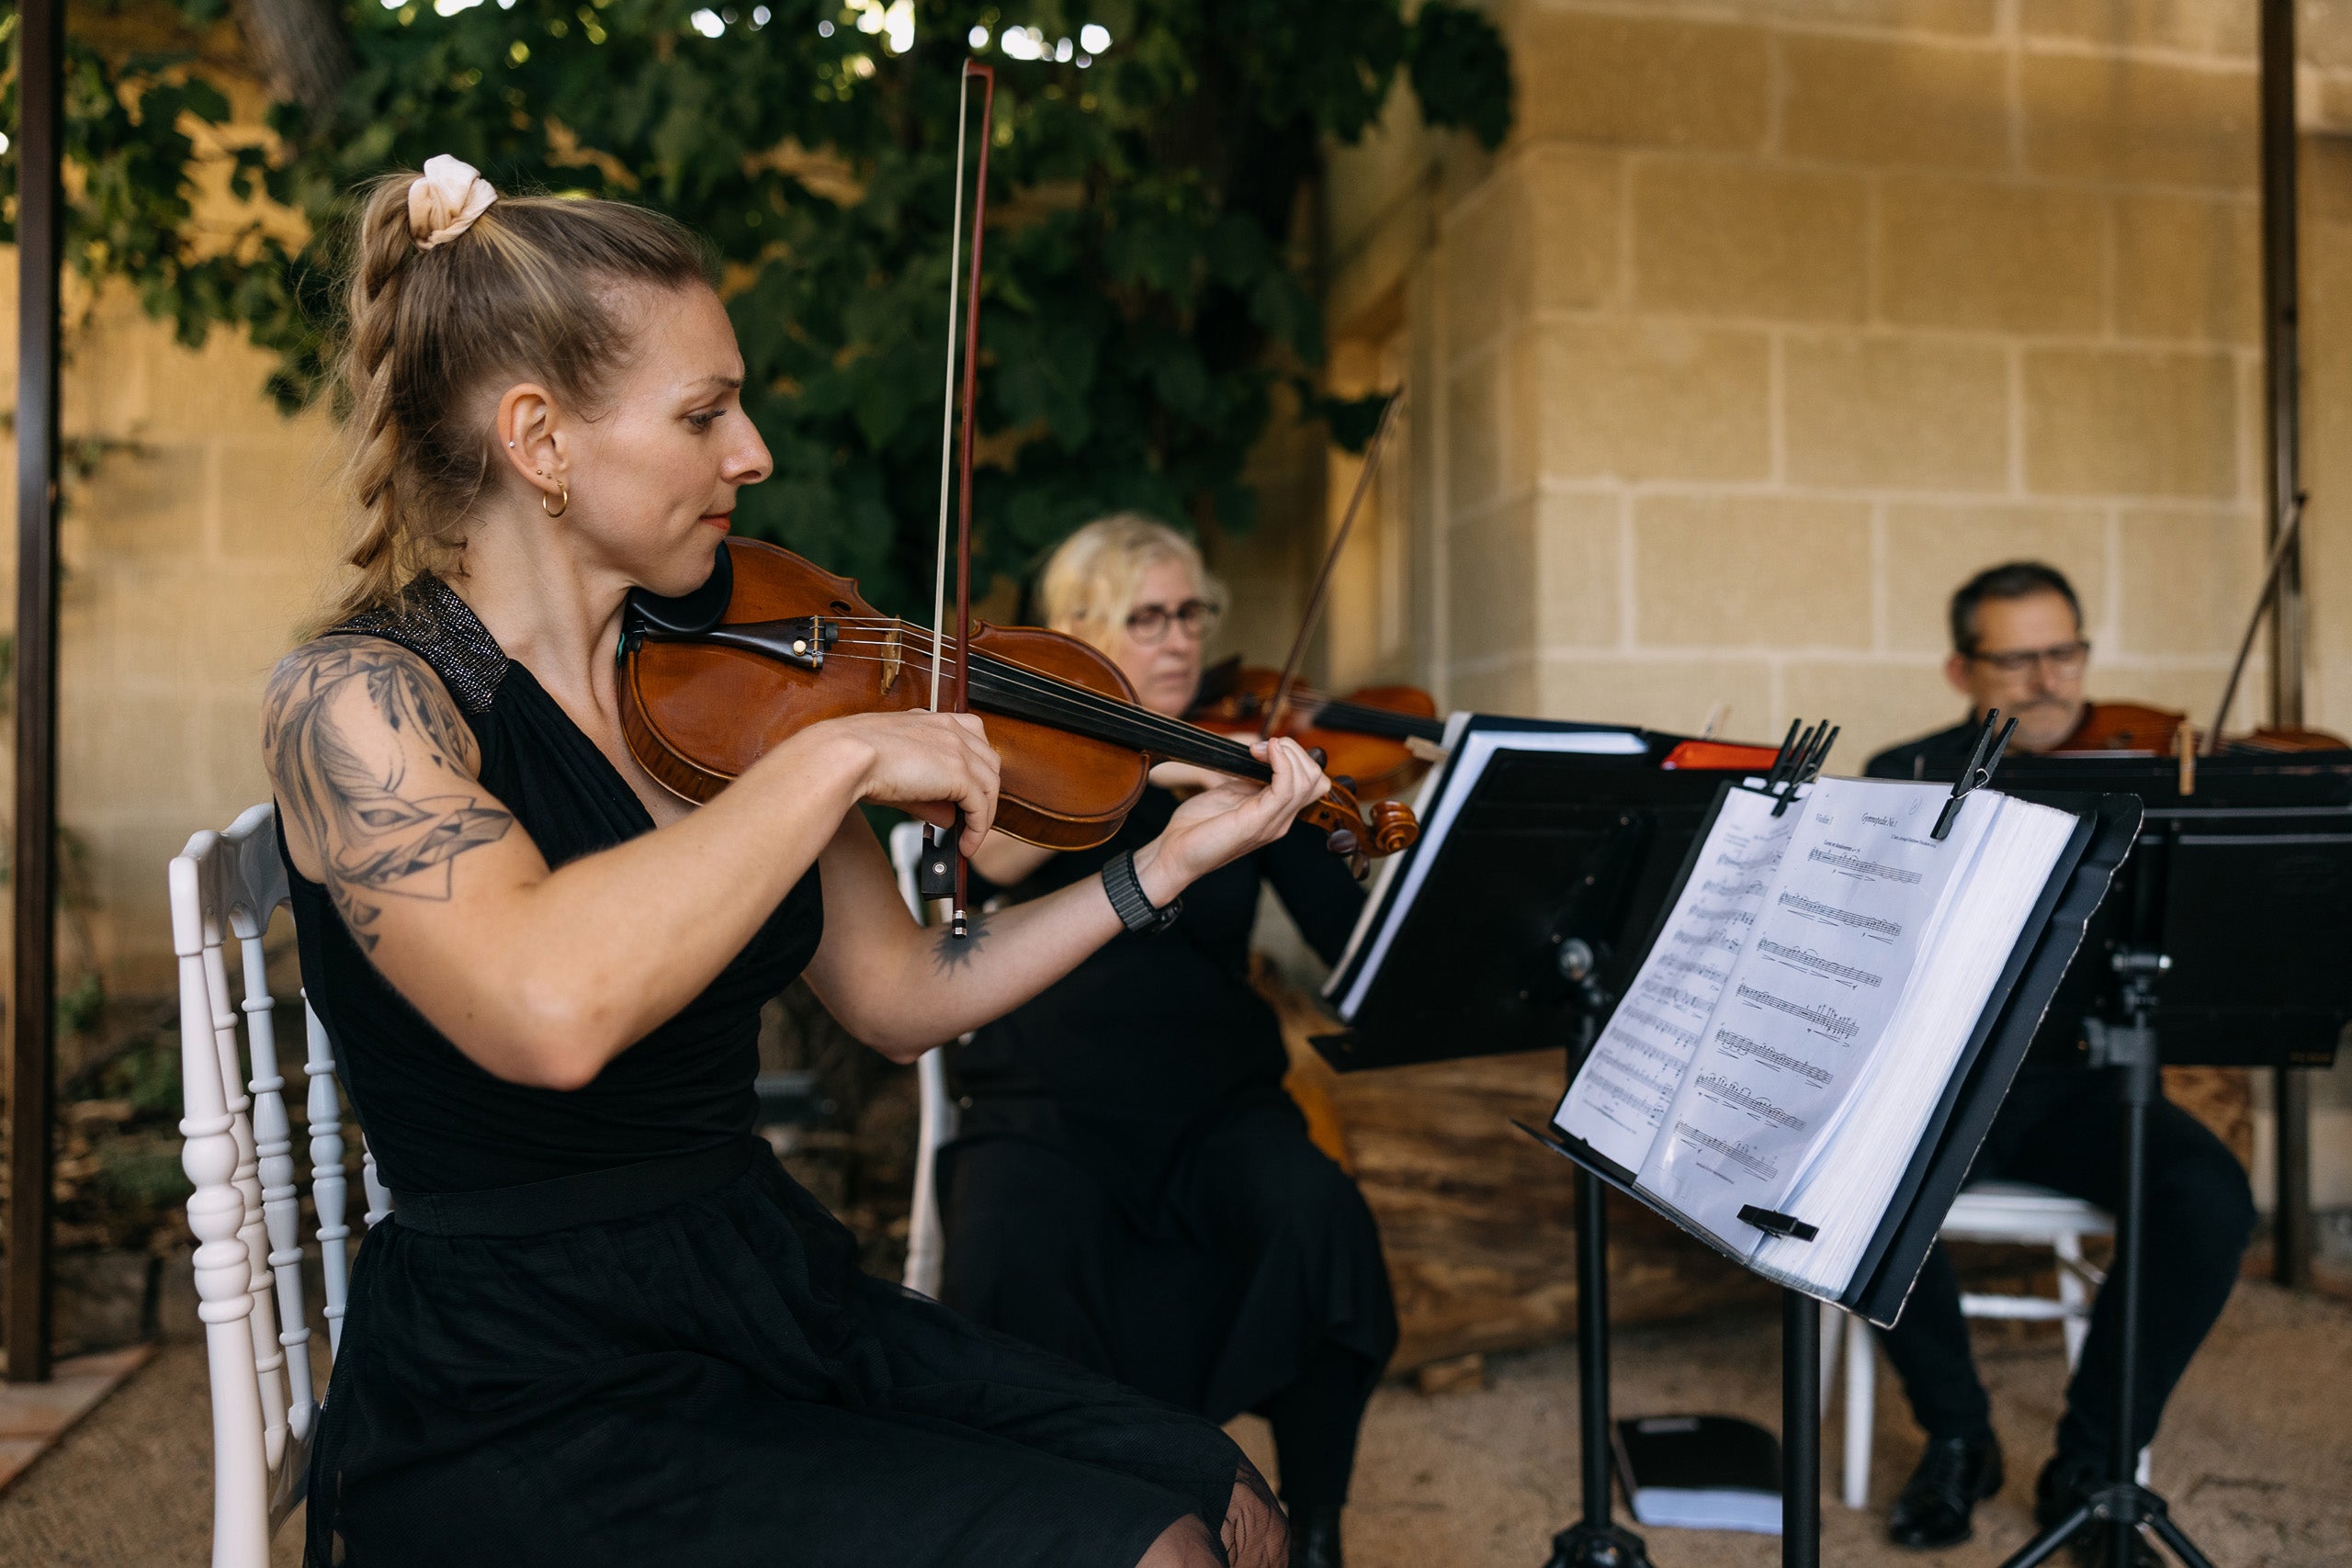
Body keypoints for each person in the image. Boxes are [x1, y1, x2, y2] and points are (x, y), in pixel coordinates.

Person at [267, 157, 1336, 1568]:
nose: (753, 451)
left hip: (756, 1277)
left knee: (1230, 1498)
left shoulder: (724, 684)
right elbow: (549, 1008)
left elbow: (901, 994)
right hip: (520, 1377)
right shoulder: (354, 701)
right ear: (540, 437)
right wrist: (832, 761)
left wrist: (1162, 868)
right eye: (705, 413)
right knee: (1148, 1552)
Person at [939, 516, 1398, 1568]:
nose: (1181, 639)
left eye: (1192, 613)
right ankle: (1076, 1528)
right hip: (1039, 1112)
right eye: (1149, 616)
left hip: (1216, 1110)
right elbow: (981, 873)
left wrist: (1331, 822)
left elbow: (1351, 951)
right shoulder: (1017, 757)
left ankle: (1315, 1527)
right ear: (1076, 633)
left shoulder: (1235, 766)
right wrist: (1141, 772)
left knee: (1317, 1217)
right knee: (1007, 1256)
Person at [1863, 562, 2256, 1560]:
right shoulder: (1907, 774)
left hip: (2090, 1081)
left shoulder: (2154, 776)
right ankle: (1958, 1435)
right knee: (1856, 1189)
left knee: (2209, 1196)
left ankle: (2092, 1458)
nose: (2051, 680)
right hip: (1950, 1085)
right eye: (2018, 658)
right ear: (1961, 668)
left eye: (2064, 651)